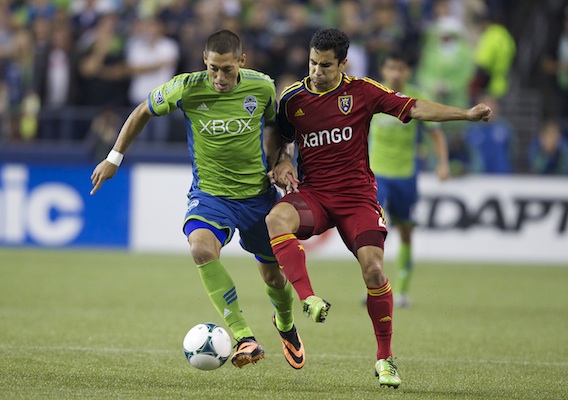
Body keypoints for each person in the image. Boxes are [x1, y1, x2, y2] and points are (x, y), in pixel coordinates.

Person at [265, 28, 492, 389]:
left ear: (343, 63)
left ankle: (385, 358)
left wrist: (465, 114)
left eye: (326, 65)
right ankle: (308, 298)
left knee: (373, 270)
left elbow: (414, 107)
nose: (317, 72)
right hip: (315, 195)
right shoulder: (293, 98)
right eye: (312, 63)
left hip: (357, 198)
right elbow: (283, 138)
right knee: (276, 219)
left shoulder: (363, 91)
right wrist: (281, 161)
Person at [90, 30, 304, 370]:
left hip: (256, 196)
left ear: (241, 61)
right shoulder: (186, 87)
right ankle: (244, 336)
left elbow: (275, 127)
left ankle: (286, 324)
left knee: (274, 278)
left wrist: (281, 159)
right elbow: (142, 111)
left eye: (227, 70)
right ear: (205, 61)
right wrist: (114, 158)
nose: (219, 78)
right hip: (210, 195)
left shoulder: (262, 87)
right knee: (201, 248)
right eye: (213, 68)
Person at [369, 51, 450, 309]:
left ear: (407, 72)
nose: (395, 73)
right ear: (383, 70)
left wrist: (443, 163)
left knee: (405, 231)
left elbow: (436, 133)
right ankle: (376, 287)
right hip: (376, 175)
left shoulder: (416, 100)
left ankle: (402, 291)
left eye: (400, 68)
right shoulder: (371, 96)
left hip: (405, 175)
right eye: (391, 68)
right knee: (373, 231)